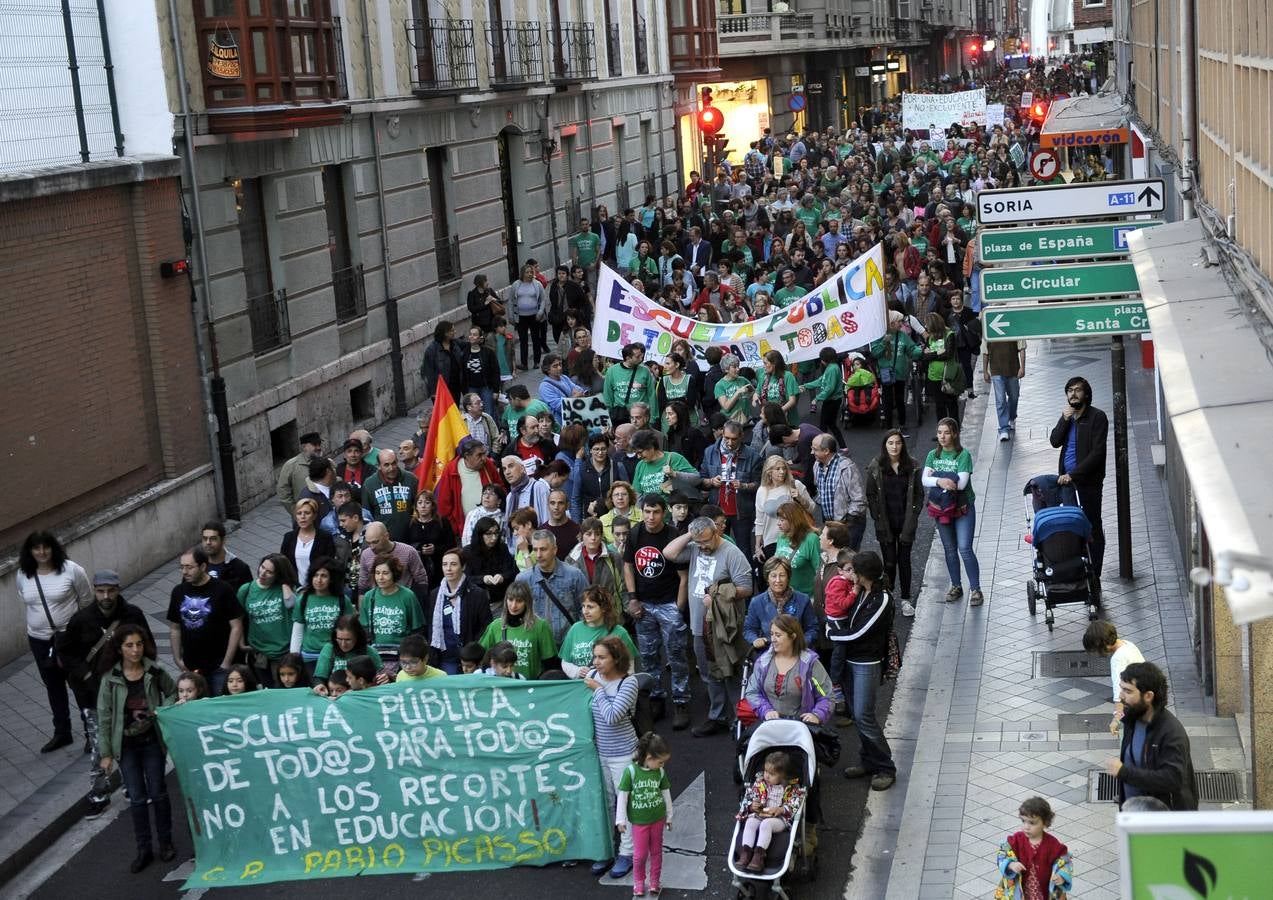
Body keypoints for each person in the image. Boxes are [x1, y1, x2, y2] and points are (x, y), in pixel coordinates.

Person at [56, 569, 153, 816]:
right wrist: (87, 676)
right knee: (100, 747)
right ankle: (99, 794)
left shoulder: (133, 614)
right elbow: (66, 653)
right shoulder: (81, 620)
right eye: (101, 591)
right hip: (93, 696)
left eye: (110, 590)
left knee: (129, 742)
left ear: (118, 590)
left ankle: (132, 788)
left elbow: (149, 647)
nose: (106, 596)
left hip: (128, 693)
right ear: (95, 591)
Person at [96, 625, 179, 873]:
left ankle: (165, 842)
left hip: (151, 741)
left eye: (139, 644)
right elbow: (105, 716)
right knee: (137, 798)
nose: (135, 650)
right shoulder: (111, 679)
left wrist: (162, 709)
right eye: (129, 645)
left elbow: (173, 691)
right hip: (127, 746)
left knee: (159, 792)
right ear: (120, 648)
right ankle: (144, 848)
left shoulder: (154, 669)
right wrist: (106, 753)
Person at [664, 517, 754, 737]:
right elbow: (669, 553)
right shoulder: (695, 547)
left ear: (717, 533)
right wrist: (690, 535)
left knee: (730, 673)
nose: (702, 546)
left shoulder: (732, 553)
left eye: (705, 540)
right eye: (698, 541)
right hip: (699, 625)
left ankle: (740, 722)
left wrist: (717, 594)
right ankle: (718, 717)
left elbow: (746, 588)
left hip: (725, 627)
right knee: (708, 674)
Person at [17, 530, 93, 752]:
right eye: (36, 548)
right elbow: (25, 598)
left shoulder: (71, 570)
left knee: (79, 686)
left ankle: (91, 732)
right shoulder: (23, 574)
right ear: (29, 551)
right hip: (40, 640)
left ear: (54, 548)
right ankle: (62, 733)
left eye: (46, 547)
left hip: (69, 640)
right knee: (53, 687)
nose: (41, 552)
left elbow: (86, 600)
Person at [623, 493, 691, 730]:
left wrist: (678, 609)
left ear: (664, 513)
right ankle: (656, 698)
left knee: (677, 655)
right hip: (643, 604)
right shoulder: (635, 533)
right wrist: (632, 598)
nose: (651, 517)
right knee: (649, 656)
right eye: (647, 512)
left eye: (656, 512)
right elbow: (628, 566)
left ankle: (681, 701)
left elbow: (684, 578)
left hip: (668, 602)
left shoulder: (674, 536)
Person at [835, 551, 897, 791]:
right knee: (857, 714)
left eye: (853, 571)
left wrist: (833, 634)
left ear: (863, 575)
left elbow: (861, 631)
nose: (849, 575)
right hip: (852, 660)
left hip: (867, 663)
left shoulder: (881, 598)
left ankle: (885, 766)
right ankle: (869, 760)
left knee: (863, 716)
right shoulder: (862, 592)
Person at [1106, 661, 1198, 810]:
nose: (1121, 696)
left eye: (1128, 691)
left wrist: (1124, 773)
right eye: (1121, 689)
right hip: (1136, 813)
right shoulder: (1133, 718)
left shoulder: (1171, 733)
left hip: (1162, 821)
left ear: (1148, 696)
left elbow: (1172, 779)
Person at [586, 636, 641, 878]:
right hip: (601, 753)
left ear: (616, 658)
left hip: (624, 754)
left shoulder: (628, 684)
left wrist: (597, 691)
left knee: (624, 805)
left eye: (601, 657)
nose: (596, 662)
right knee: (606, 804)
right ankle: (607, 849)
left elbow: (612, 716)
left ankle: (627, 853)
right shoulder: (593, 677)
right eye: (595, 656)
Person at [1049, 376, 1109, 575]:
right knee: (1073, 527)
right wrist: (1064, 420)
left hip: (1088, 484)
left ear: (1086, 394)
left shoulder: (1097, 417)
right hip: (1068, 485)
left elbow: (1097, 454)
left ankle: (1095, 572)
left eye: (1077, 390)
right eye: (1069, 390)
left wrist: (1073, 474)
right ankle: (1080, 568)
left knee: (1092, 525)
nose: (1073, 394)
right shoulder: (1069, 417)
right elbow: (1055, 441)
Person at [167, 548, 243, 696]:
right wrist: (178, 659)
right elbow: (175, 628)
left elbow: (236, 625)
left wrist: (226, 662)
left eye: (189, 567)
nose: (184, 571)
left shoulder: (222, 589)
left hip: (218, 666)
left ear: (203, 567)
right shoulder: (178, 592)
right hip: (191, 667)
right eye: (182, 567)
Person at [923, 418, 983, 606]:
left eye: (947, 432)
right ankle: (956, 586)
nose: (942, 436)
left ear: (955, 434)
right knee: (949, 549)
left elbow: (962, 484)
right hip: (942, 509)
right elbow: (924, 480)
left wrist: (936, 477)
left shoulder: (963, 455)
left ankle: (976, 589)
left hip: (963, 508)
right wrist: (941, 481)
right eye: (939, 432)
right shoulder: (933, 454)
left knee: (964, 548)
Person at [865, 430, 925, 616]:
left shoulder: (912, 466)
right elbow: (871, 494)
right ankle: (888, 598)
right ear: (885, 445)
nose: (894, 446)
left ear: (902, 445)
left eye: (898, 443)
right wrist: (877, 516)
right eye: (890, 443)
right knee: (889, 562)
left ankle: (905, 599)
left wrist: (914, 514)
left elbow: (918, 494)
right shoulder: (876, 466)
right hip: (886, 522)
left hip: (905, 520)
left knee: (904, 561)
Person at [744, 613, 833, 725]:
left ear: (793, 637)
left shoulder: (810, 664)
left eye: (778, 635)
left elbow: (826, 695)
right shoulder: (763, 663)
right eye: (771, 634)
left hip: (801, 727)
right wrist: (766, 711)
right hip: (769, 726)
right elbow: (752, 692)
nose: (773, 639)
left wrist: (817, 715)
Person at [617, 732, 674, 898]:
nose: (662, 765)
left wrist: (669, 816)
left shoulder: (660, 773)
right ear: (649, 757)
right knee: (640, 855)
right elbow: (623, 796)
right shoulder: (631, 772)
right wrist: (620, 820)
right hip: (639, 822)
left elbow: (666, 794)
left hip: (657, 819)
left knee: (656, 852)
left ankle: (655, 881)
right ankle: (639, 882)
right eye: (660, 761)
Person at [734, 750, 807, 874]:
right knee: (750, 821)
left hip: (779, 819)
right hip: (760, 814)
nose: (767, 776)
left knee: (765, 825)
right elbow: (749, 797)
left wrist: (781, 809)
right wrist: (753, 805)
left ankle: (759, 856)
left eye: (771, 774)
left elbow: (794, 804)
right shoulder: (760, 782)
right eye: (766, 771)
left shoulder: (791, 788)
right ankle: (746, 852)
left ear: (782, 776)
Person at [515, 530, 590, 644]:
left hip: (568, 643)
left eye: (543, 549)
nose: (538, 555)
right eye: (535, 550)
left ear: (555, 549)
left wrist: (579, 637)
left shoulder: (575, 575)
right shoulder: (523, 579)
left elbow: (587, 609)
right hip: (535, 644)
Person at [425, 548, 493, 674]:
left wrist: (473, 653)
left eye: (453, 564)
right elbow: (430, 627)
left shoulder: (478, 594)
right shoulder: (435, 594)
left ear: (463, 566)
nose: (448, 569)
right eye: (445, 564)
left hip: (470, 659)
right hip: (444, 658)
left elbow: (486, 628)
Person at [995, 797, 1073, 900]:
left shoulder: (1052, 844)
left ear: (1045, 823)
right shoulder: (1016, 840)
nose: (1026, 827)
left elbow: (1064, 861)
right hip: (1020, 891)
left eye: (1032, 823)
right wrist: (1010, 864)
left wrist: (1061, 876)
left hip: (1043, 892)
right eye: (1023, 821)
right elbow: (1002, 854)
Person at [236, 555, 297, 687]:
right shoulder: (246, 590)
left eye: (269, 571)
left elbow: (291, 604)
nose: (263, 573)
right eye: (262, 567)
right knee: (265, 688)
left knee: (282, 690)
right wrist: (241, 643)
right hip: (260, 653)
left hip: (283, 652)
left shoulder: (284, 589)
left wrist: (284, 583)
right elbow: (238, 619)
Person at [478, 581, 558, 679]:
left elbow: (550, 664)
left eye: (519, 601)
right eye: (510, 599)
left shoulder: (541, 626)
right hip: (503, 687)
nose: (513, 605)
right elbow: (480, 656)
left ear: (527, 602)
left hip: (531, 687)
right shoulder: (496, 626)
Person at [359, 554, 427, 669]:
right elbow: (364, 629)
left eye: (385, 573)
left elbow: (418, 629)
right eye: (377, 573)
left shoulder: (408, 596)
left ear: (394, 574)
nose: (380, 577)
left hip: (403, 655)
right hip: (376, 654)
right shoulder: (369, 597)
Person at [1083, 619, 1147, 735]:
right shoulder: (1128, 644)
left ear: (1102, 645)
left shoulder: (1118, 659)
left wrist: (1116, 719)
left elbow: (1119, 694)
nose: (1097, 653)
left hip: (1135, 706)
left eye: (1096, 650)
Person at [558, 586, 637, 678]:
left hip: (609, 688)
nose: (585, 611)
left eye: (590, 607)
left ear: (603, 608)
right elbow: (565, 662)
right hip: (581, 688)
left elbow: (629, 666)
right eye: (583, 606)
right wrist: (577, 671)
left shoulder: (619, 632)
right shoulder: (575, 629)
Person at [754, 456, 817, 569]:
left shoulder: (795, 485)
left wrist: (800, 498)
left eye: (784, 468)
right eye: (777, 469)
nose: (782, 472)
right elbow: (759, 520)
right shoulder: (762, 491)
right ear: (769, 472)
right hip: (771, 540)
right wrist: (758, 546)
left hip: (794, 537)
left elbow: (812, 508)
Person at [288, 559, 350, 674]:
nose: (319, 580)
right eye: (315, 575)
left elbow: (350, 629)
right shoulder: (303, 599)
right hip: (309, 656)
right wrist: (294, 658)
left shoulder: (342, 600)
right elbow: (298, 630)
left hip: (335, 655)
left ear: (332, 579)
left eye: (324, 576)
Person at [744, 557, 819, 648]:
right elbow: (749, 629)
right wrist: (755, 639)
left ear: (788, 577)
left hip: (799, 652)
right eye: (773, 576)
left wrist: (802, 643)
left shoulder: (803, 600)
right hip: (768, 652)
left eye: (782, 575)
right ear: (767, 578)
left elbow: (813, 629)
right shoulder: (756, 602)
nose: (778, 580)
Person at [435, 437, 502, 539]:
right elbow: (444, 504)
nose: (484, 458)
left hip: (492, 528)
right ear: (467, 456)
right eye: (479, 455)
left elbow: (501, 489)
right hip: (465, 530)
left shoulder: (488, 464)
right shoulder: (451, 469)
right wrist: (455, 528)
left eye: (484, 453)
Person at [809, 435, 867, 547]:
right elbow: (820, 490)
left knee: (847, 558)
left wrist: (846, 523)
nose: (812, 452)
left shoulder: (847, 467)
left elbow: (859, 500)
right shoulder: (816, 465)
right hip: (831, 524)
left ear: (826, 451)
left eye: (815, 449)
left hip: (849, 526)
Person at [630, 428, 701, 503]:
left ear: (651, 446)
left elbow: (698, 479)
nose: (638, 456)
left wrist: (674, 474)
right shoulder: (640, 465)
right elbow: (638, 495)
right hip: (650, 512)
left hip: (674, 511)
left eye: (640, 452)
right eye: (636, 453)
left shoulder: (674, 458)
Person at [362, 448, 418, 542]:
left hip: (410, 539)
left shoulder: (411, 479)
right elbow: (367, 517)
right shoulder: (369, 485)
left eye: (394, 463)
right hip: (383, 542)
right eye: (386, 465)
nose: (391, 468)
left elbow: (418, 508)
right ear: (379, 466)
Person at [357, 521, 429, 594]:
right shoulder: (366, 555)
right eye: (368, 543)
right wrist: (362, 604)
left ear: (386, 536)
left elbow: (421, 580)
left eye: (375, 542)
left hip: (403, 599)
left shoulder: (408, 551)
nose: (372, 547)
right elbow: (363, 585)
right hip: (378, 600)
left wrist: (419, 601)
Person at [465, 516, 518, 615]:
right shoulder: (468, 552)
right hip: (475, 603)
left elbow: (513, 572)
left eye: (496, 533)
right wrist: (483, 579)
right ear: (480, 535)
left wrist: (502, 577)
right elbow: (464, 578)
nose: (494, 538)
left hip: (500, 602)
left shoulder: (502, 549)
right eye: (489, 534)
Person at [280, 498, 336, 589]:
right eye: (299, 513)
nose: (302, 517)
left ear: (314, 516)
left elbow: (330, 564)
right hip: (295, 587)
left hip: (319, 587)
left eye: (307, 513)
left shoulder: (325, 538)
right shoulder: (289, 537)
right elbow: (283, 564)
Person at [312, 615, 384, 685]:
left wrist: (385, 677)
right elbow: (319, 678)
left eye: (348, 640)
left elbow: (381, 674)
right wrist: (319, 685)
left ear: (357, 637)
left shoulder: (369, 651)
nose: (343, 644)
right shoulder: (329, 649)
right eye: (339, 639)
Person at [406, 491, 455, 592]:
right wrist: (419, 549)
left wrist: (436, 549)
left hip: (439, 567)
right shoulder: (410, 523)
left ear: (433, 505)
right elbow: (405, 545)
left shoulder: (442, 522)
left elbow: (452, 545)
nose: (423, 506)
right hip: (417, 568)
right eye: (420, 503)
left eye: (427, 503)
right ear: (415, 506)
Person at [920, 312, 961, 423]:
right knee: (939, 405)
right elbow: (924, 356)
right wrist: (937, 353)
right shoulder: (930, 337)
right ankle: (942, 428)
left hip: (947, 375)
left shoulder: (949, 334)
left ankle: (954, 428)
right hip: (934, 376)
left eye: (927, 324)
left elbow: (948, 354)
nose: (925, 327)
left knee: (951, 403)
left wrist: (932, 354)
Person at [567, 517, 624, 597]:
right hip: (582, 607)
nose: (593, 538)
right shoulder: (571, 559)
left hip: (609, 607)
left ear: (601, 536)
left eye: (597, 534)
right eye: (588, 534)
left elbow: (623, 588)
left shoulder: (614, 557)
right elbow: (568, 590)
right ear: (581, 536)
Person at [801, 347, 847, 444]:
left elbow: (829, 388)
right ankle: (837, 446)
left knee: (826, 424)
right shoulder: (831, 368)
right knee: (828, 424)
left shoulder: (832, 369)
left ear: (823, 360)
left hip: (832, 400)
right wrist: (806, 386)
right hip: (831, 400)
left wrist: (817, 398)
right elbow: (820, 381)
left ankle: (825, 446)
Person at [984, 338, 1026, 442]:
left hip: (1013, 369)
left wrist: (1022, 367)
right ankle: (1003, 428)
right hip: (996, 371)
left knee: (1014, 396)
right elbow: (985, 352)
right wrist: (985, 371)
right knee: (1000, 400)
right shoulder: (989, 331)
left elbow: (1022, 348)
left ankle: (1011, 417)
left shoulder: (1015, 328)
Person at [510, 263, 549, 369]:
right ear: (522, 273)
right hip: (521, 316)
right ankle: (524, 363)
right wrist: (511, 315)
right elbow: (511, 300)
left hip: (534, 316)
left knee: (536, 338)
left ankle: (537, 361)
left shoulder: (537, 284)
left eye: (531, 272)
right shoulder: (516, 285)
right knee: (523, 340)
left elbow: (543, 299)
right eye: (527, 272)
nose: (529, 274)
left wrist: (540, 312)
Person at [502, 456, 551, 536]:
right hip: (517, 546)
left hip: (537, 543)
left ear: (522, 468)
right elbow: (509, 530)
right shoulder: (510, 496)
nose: (507, 472)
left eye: (511, 466)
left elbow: (547, 520)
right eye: (504, 469)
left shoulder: (538, 487)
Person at [276, 432, 323, 514]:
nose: (318, 447)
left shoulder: (324, 462)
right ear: (304, 447)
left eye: (319, 444)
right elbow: (283, 491)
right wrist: (295, 511)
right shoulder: (291, 465)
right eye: (315, 444)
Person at [200, 522, 252, 594]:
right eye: (205, 539)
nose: (208, 542)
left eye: (213, 539)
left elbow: (248, 598)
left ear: (223, 540)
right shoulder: (196, 564)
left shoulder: (240, 568)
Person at [600, 480, 641, 544]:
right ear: (611, 499)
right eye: (616, 495)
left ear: (630, 497)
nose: (620, 497)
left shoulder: (642, 516)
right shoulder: (603, 520)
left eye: (624, 494)